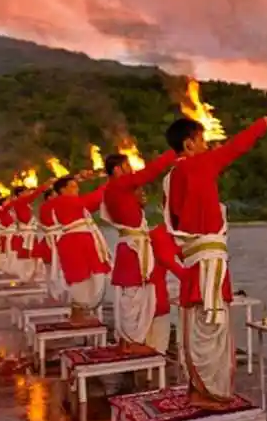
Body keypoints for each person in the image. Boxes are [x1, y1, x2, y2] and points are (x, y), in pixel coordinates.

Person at [163, 102, 267, 410]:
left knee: (198, 329)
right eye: (202, 140)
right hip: (207, 265)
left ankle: (199, 390)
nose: (206, 145)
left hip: (196, 263)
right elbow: (238, 146)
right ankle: (210, 395)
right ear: (189, 144)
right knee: (212, 329)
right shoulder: (195, 167)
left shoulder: (172, 177)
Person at [101, 149, 176, 353]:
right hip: (132, 248)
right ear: (117, 170)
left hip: (132, 247)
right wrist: (174, 153)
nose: (131, 170)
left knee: (134, 295)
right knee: (133, 295)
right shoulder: (117, 185)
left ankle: (129, 340)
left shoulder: (116, 190)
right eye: (127, 166)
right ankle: (131, 343)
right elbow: (149, 172)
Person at [50, 171, 110, 323]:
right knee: (79, 279)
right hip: (74, 243)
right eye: (73, 186)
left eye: (77, 186)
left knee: (93, 277)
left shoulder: (74, 203)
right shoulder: (62, 201)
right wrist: (110, 183)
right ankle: (77, 315)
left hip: (83, 241)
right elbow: (92, 199)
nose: (77, 189)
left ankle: (81, 312)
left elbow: (95, 202)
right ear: (63, 190)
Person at [146, 223, 187, 354]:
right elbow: (172, 264)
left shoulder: (166, 234)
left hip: (150, 293)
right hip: (152, 294)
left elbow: (186, 257)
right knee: (157, 344)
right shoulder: (161, 236)